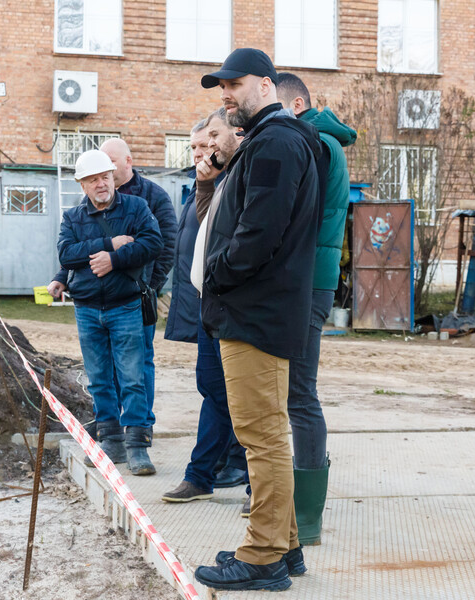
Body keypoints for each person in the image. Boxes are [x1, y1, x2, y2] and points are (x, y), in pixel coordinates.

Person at [191, 48, 322, 592]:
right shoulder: (272, 142)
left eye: (235, 84)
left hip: (255, 310)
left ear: (266, 85)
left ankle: (263, 554)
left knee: (261, 435)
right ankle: (284, 545)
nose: (225, 94)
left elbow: (258, 234)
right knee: (265, 430)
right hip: (257, 308)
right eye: (221, 86)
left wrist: (216, 273)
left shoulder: (275, 143)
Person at [276, 72, 357, 545]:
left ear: (298, 104)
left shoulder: (318, 143)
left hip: (306, 280)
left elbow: (296, 211)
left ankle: (307, 518)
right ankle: (298, 509)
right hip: (308, 278)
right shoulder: (322, 140)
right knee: (296, 392)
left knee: (300, 394)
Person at [49, 138, 177, 434]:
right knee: (102, 371)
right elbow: (72, 247)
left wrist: (146, 286)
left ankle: (141, 428)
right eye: (93, 178)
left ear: (125, 163)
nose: (102, 181)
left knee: (137, 367)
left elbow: (164, 246)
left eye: (107, 171)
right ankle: (111, 428)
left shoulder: (149, 198)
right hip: (94, 302)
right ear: (84, 184)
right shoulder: (82, 208)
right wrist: (62, 275)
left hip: (135, 296)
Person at [161, 109, 248, 503]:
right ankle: (200, 477)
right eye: (202, 140)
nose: (207, 146)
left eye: (214, 136)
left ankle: (255, 485)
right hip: (208, 302)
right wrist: (204, 185)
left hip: (239, 305)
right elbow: (205, 227)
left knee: (249, 397)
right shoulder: (220, 177)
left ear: (236, 135)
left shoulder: (247, 172)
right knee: (213, 389)